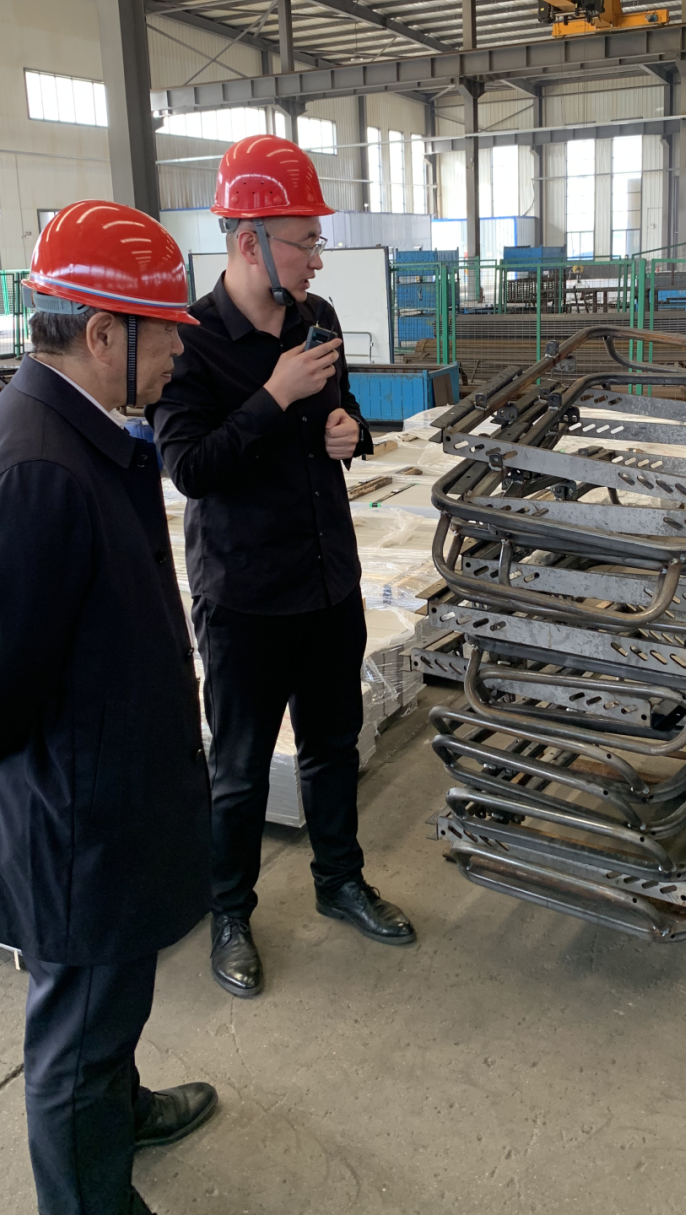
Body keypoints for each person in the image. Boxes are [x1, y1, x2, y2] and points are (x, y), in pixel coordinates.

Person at [0, 201, 216, 1215]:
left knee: (108, 1004)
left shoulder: (81, 428)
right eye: (167, 333)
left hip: (106, 778)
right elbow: (3, 663)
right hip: (76, 814)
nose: (180, 352)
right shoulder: (39, 463)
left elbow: (26, 636)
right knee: (76, 1034)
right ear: (104, 333)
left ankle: (121, 1108)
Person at [151, 134, 415, 1001]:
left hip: (328, 581)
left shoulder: (318, 320)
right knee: (237, 770)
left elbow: (347, 416)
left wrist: (350, 431)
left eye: (315, 241)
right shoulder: (191, 344)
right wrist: (275, 397)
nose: (316, 258)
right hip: (245, 597)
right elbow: (190, 468)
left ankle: (340, 881)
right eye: (304, 242)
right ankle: (230, 914)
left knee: (333, 748)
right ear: (248, 241)